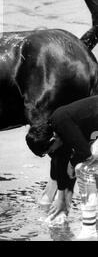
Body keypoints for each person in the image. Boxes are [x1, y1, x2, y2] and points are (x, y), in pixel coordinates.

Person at [44, 96, 98, 240]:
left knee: (84, 169)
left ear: (51, 140)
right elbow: (58, 162)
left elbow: (85, 153)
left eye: (47, 151)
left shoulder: (62, 124)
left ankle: (89, 230)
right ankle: (93, 223)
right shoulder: (56, 125)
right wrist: (61, 196)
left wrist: (72, 164)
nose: (50, 154)